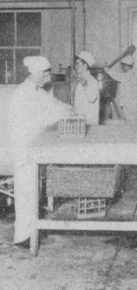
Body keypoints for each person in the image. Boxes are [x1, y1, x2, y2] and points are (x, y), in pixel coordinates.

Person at [7, 56, 74, 247]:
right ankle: (22, 237)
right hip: (24, 148)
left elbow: (53, 105)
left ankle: (32, 231)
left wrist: (68, 109)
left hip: (34, 148)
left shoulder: (37, 91)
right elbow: (38, 119)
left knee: (33, 191)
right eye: (45, 74)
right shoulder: (23, 93)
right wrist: (59, 115)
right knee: (25, 192)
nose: (47, 78)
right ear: (36, 74)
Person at [105, 54, 137, 125]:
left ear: (127, 66)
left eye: (123, 66)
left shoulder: (126, 76)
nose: (122, 68)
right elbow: (133, 68)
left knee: (130, 123)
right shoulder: (136, 74)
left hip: (129, 104)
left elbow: (115, 75)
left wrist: (106, 69)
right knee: (135, 123)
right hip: (134, 103)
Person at [73, 51, 100, 125]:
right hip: (79, 122)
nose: (75, 66)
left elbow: (92, 98)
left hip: (89, 123)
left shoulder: (93, 81)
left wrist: (85, 85)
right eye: (75, 63)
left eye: (78, 63)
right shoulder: (80, 81)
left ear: (85, 66)